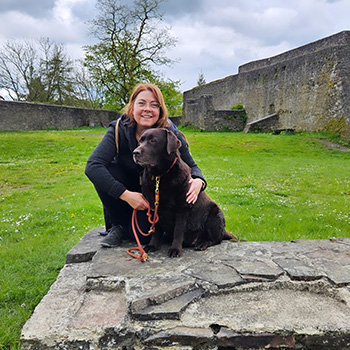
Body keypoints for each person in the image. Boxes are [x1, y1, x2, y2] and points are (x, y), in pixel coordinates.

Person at [85, 83, 206, 247]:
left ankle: (134, 227)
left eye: (154, 105)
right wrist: (126, 195)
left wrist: (199, 181)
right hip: (124, 190)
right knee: (107, 169)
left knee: (143, 239)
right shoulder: (118, 130)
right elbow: (93, 166)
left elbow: (191, 166)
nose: (147, 109)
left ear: (160, 110)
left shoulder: (169, 133)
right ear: (132, 106)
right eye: (141, 103)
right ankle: (118, 226)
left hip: (152, 197)